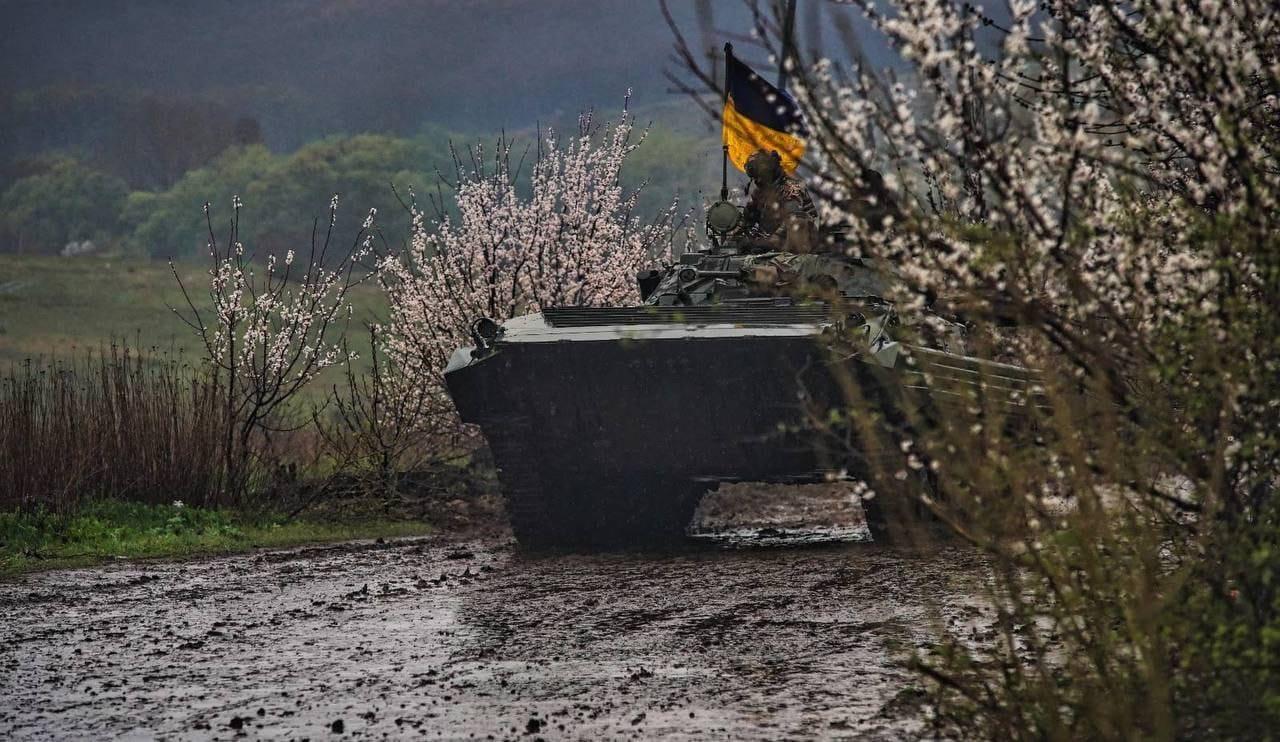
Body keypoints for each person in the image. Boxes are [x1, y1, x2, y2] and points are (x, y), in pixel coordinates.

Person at [739, 149, 818, 253]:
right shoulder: (761, 191)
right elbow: (748, 218)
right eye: (754, 177)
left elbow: (793, 220)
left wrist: (768, 242)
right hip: (771, 244)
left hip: (795, 245)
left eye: (760, 175)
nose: (757, 180)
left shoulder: (791, 188)